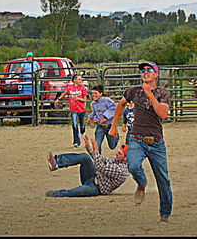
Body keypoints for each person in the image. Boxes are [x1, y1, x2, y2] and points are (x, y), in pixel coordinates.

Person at [108, 61, 173, 224]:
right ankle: (142, 183)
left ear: (156, 74)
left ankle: (164, 214)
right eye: (143, 70)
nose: (145, 72)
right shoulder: (133, 91)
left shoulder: (163, 93)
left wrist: (150, 95)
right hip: (136, 139)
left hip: (156, 142)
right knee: (133, 166)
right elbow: (120, 105)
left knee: (163, 179)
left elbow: (163, 115)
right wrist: (114, 126)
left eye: (149, 70)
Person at [45, 135, 130, 197]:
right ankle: (56, 162)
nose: (116, 154)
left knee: (76, 192)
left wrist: (96, 149)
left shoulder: (121, 170)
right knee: (85, 157)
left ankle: (56, 193)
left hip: (97, 188)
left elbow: (100, 167)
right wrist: (89, 148)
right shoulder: (118, 161)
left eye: (119, 153)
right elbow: (101, 159)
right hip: (93, 177)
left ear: (125, 158)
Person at [55, 74, 88, 147]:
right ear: (74, 80)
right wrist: (59, 99)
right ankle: (76, 141)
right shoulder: (70, 88)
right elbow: (65, 93)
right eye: (79, 79)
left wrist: (78, 98)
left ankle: (83, 134)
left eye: (81, 79)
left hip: (82, 109)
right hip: (73, 109)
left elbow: (85, 99)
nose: (81, 81)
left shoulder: (83, 88)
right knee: (75, 124)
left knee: (82, 126)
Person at [86, 85, 119, 154]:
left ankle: (116, 136)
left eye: (96, 93)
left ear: (101, 93)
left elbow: (114, 108)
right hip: (100, 126)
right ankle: (98, 159)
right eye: (92, 93)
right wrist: (90, 118)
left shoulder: (107, 100)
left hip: (110, 126)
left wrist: (105, 117)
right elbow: (94, 112)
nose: (93, 95)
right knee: (97, 144)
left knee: (112, 146)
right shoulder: (93, 103)